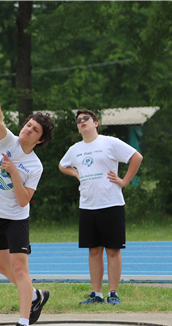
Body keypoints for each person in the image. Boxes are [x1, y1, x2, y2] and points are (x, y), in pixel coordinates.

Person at [0, 81, 54, 326]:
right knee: (0, 264)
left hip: (16, 218)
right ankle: (35, 295)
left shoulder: (35, 166)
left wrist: (14, 171)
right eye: (28, 125)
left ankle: (24, 321)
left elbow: (24, 199)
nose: (28, 130)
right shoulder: (7, 142)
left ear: (39, 140)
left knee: (19, 267)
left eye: (34, 130)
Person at [59, 109, 143, 305]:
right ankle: (96, 294)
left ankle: (113, 293)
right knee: (94, 251)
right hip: (87, 206)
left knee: (112, 250)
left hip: (111, 204)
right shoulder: (75, 149)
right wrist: (77, 174)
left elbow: (136, 157)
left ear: (95, 122)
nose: (82, 122)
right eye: (78, 120)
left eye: (85, 118)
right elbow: (62, 165)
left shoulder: (109, 142)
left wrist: (124, 181)